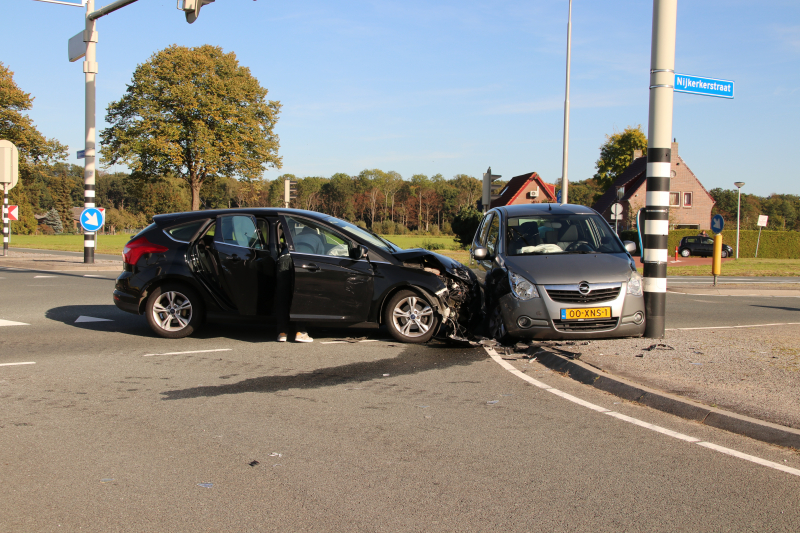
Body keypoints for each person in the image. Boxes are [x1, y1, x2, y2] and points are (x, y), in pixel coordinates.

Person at [274, 226, 313, 343]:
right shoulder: (318, 238)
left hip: (283, 259)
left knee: (283, 297)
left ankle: (282, 333)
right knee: (300, 296)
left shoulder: (295, 237)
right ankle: (300, 332)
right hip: (299, 262)